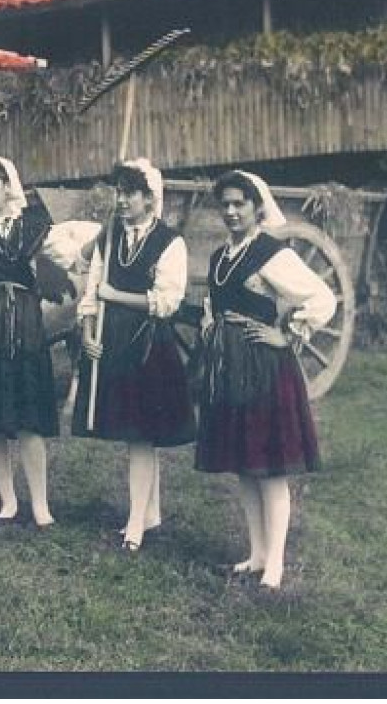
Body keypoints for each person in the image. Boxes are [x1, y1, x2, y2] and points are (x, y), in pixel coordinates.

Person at [196, 171, 335, 590]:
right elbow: (211, 301)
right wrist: (209, 326)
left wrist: (287, 334)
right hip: (229, 370)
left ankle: (274, 564)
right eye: (226, 205)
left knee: (270, 467)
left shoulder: (273, 255)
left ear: (258, 208)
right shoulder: (220, 257)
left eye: (240, 203)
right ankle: (255, 553)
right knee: (244, 465)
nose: (233, 212)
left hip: (264, 369)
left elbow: (322, 298)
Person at [74, 158, 196, 553]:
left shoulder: (170, 241)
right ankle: (151, 513)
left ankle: (134, 526)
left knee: (141, 437)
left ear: (150, 199)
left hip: (147, 347)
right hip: (112, 343)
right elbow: (92, 291)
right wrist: (89, 333)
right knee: (135, 436)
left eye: (130, 193)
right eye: (118, 192)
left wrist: (118, 296)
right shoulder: (109, 236)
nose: (121, 200)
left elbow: (167, 303)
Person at [0, 155, 59, 529]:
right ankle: (7, 500)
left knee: (29, 419)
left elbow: (64, 261)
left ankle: (40, 503)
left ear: (9, 187)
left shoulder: (33, 228)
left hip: (25, 323)